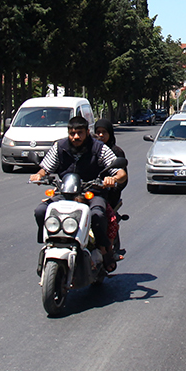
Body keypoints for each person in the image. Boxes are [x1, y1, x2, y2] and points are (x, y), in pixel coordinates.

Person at [31, 115, 127, 269]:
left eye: (80, 133)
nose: (76, 137)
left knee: (98, 214)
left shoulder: (99, 148)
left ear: (87, 132)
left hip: (92, 192)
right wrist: (39, 175)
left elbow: (121, 173)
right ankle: (49, 243)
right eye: (72, 133)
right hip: (65, 192)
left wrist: (114, 179)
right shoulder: (60, 147)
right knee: (41, 211)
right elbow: (46, 168)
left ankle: (103, 250)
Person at [93, 117, 128, 269]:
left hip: (108, 194)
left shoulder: (116, 151)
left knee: (107, 217)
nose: (100, 135)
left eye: (104, 132)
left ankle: (108, 250)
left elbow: (122, 178)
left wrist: (111, 185)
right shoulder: (90, 150)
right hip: (88, 192)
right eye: (98, 132)